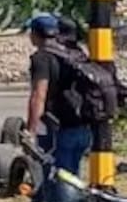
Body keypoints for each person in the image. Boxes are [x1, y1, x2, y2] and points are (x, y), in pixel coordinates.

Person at [26, 14, 91, 174]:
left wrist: (31, 132)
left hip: (59, 129)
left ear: (35, 34)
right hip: (83, 127)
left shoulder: (42, 58)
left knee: (59, 180)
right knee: (72, 178)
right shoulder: (74, 53)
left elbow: (38, 96)